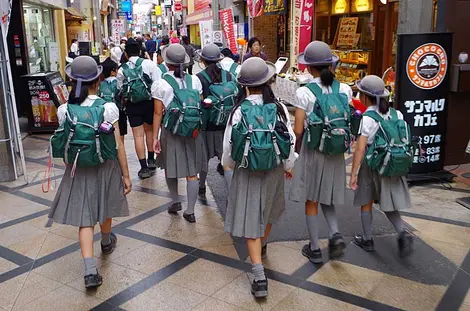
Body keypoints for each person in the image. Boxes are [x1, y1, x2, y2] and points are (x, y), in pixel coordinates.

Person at [47, 56, 131, 288]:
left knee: (85, 218)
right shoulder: (108, 107)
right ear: (98, 79)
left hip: (78, 167)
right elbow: (118, 145)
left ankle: (90, 270)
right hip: (106, 165)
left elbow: (65, 140)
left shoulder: (65, 109)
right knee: (104, 204)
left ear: (72, 81)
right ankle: (105, 241)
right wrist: (125, 174)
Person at [222, 57, 296, 298]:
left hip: (247, 169)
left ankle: (259, 277)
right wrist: (289, 164)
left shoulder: (238, 110)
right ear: (268, 82)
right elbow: (290, 140)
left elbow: (228, 145)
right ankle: (262, 246)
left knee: (251, 217)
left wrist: (228, 165)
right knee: (269, 212)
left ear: (244, 86)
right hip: (274, 168)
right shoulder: (279, 108)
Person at [289, 41, 353, 264]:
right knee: (329, 195)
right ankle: (335, 234)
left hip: (314, 151)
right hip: (336, 153)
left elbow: (298, 130)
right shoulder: (345, 89)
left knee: (312, 199)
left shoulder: (304, 92)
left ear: (308, 67)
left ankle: (314, 248)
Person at [350, 75, 413, 257]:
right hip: (393, 163)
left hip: (373, 164)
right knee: (390, 203)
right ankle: (402, 232)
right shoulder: (397, 114)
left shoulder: (368, 118)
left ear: (364, 97)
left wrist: (354, 173)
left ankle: (367, 238)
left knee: (366, 201)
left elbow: (360, 149)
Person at [151, 44, 206, 223]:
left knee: (171, 167)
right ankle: (190, 211)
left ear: (167, 62)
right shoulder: (195, 81)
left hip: (171, 130)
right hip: (192, 131)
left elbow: (158, 112)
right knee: (192, 172)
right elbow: (198, 104)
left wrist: (154, 138)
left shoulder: (161, 84)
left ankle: (175, 202)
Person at [196, 43, 238, 197]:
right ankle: (232, 193)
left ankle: (201, 187)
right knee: (226, 161)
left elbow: (199, 101)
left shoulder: (199, 78)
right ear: (219, 59)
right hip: (226, 125)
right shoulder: (229, 76)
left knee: (203, 159)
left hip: (208, 126)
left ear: (203, 60)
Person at [117, 38, 162, 179]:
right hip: (149, 102)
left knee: (138, 135)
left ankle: (143, 168)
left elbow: (120, 89)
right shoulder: (149, 64)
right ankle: (151, 159)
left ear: (126, 54)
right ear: (141, 51)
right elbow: (158, 84)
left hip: (132, 104)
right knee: (149, 131)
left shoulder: (121, 70)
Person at [100, 57, 127, 144]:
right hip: (119, 112)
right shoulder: (118, 83)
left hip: (103, 112)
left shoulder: (101, 84)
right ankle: (120, 151)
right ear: (113, 71)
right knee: (120, 135)